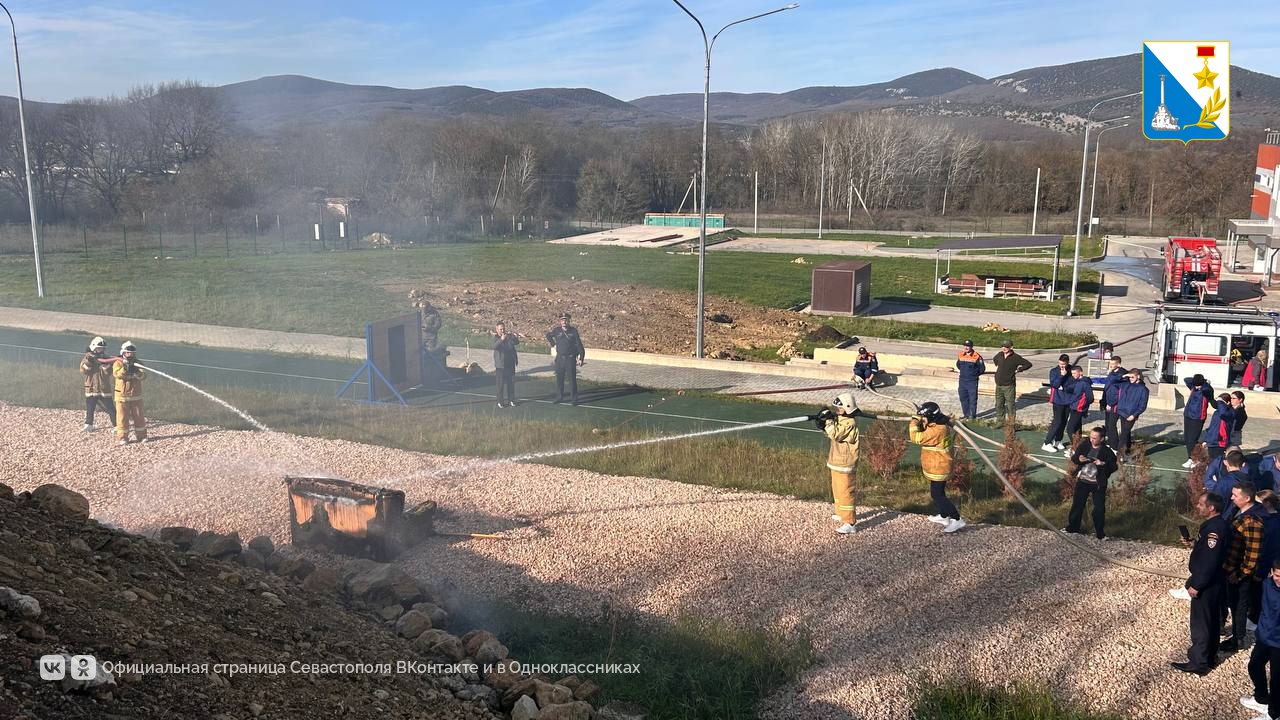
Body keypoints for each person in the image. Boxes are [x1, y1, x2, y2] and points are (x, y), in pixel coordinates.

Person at [1172, 492, 1231, 676]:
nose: (1197, 506)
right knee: (1211, 619)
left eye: (1200, 504)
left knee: (1201, 623)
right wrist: (1194, 544)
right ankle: (1210, 656)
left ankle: (1199, 661)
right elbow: (1207, 551)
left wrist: (1197, 585)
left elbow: (1210, 561)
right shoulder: (1216, 525)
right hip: (1214, 581)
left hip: (1207, 583)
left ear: (1211, 507)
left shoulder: (1214, 530)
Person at [1224, 481, 1267, 653]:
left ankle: (1238, 639)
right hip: (1232, 567)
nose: (1231, 498)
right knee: (1233, 603)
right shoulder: (1238, 511)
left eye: (1235, 495)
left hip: (1239, 572)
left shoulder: (1252, 521)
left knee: (1239, 605)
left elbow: (1253, 553)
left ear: (1247, 498)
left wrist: (1241, 573)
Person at [909, 402, 965, 533]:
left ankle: (956, 519)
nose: (923, 419)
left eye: (924, 417)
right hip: (938, 465)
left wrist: (914, 422)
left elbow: (916, 438)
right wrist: (922, 419)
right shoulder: (938, 424)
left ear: (931, 417)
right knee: (938, 492)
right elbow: (926, 428)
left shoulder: (938, 430)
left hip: (939, 467)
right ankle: (944, 516)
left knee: (937, 495)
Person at [1063, 426, 1118, 540]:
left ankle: (1100, 533)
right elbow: (1075, 458)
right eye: (1090, 437)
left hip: (1097, 484)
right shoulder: (1085, 445)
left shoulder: (1107, 451)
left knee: (1099, 509)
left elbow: (1113, 466)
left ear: (1101, 439)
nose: (1091, 440)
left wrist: (1102, 464)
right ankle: (1073, 528)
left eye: (1094, 438)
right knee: (1077, 506)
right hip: (1083, 481)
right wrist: (1079, 459)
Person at [817, 392, 860, 535]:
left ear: (848, 407)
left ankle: (850, 523)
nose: (837, 411)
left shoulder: (849, 423)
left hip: (845, 464)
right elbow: (831, 434)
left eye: (840, 408)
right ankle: (841, 513)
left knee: (845, 492)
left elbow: (836, 434)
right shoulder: (841, 420)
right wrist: (823, 425)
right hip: (836, 461)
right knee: (837, 490)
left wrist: (828, 421)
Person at [1244, 559, 1280, 717]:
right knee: (1254, 666)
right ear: (1271, 572)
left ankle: (1274, 714)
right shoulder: (1266, 584)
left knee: (1277, 680)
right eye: (1277, 575)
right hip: (1264, 636)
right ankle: (1261, 698)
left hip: (1278, 642)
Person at [545, 313, 585, 405]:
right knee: (559, 379)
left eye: (566, 320)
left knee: (572, 379)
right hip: (560, 358)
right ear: (560, 321)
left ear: (569, 321)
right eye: (562, 320)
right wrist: (553, 344)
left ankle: (574, 399)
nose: (564, 322)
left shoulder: (573, 331)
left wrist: (581, 358)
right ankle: (559, 397)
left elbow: (579, 345)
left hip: (570, 358)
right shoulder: (557, 330)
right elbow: (548, 335)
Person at [79, 336, 117, 432]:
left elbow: (109, 372)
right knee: (90, 408)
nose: (101, 350)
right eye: (99, 348)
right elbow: (83, 370)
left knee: (111, 409)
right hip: (91, 388)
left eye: (102, 348)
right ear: (94, 348)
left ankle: (117, 425)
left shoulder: (107, 358)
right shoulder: (87, 358)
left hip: (104, 389)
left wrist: (106, 366)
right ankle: (89, 424)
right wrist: (89, 362)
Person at [112, 341, 147, 445]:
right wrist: (125, 368)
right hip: (122, 396)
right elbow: (117, 374)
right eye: (128, 352)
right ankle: (122, 438)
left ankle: (141, 437)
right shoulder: (118, 362)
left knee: (139, 417)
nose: (130, 354)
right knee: (122, 418)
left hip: (135, 395)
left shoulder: (138, 363)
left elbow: (143, 376)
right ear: (123, 352)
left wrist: (137, 372)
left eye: (132, 353)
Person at [991, 340, 1032, 426]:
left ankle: (1011, 424)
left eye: (1006, 347)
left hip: (1009, 385)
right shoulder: (1000, 354)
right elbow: (995, 359)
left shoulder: (1016, 357)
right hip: (999, 384)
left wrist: (1019, 369)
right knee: (999, 404)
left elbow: (1028, 364)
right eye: (1003, 346)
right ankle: (1000, 421)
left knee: (1010, 406)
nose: (1004, 348)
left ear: (1011, 347)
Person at [1041, 354, 1073, 453]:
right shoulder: (1054, 371)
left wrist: (1064, 386)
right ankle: (1047, 442)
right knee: (1057, 421)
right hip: (1058, 400)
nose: (1061, 366)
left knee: (1064, 421)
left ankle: (1058, 440)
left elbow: (1072, 384)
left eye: (1063, 364)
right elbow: (1054, 384)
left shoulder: (1071, 370)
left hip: (1068, 400)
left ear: (1067, 363)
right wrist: (1061, 376)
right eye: (1060, 364)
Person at [1060, 365, 1095, 457]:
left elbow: (1090, 398)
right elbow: (1069, 388)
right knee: (1077, 428)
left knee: (1070, 428)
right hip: (1074, 407)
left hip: (1079, 408)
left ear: (1080, 373)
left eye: (1075, 373)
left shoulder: (1085, 383)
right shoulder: (1076, 381)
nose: (1073, 375)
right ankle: (1077, 447)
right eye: (1072, 374)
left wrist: (1083, 405)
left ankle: (1076, 448)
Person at [1206, 450, 1252, 518]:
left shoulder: (1224, 482)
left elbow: (1215, 501)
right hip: (1245, 516)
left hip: (1225, 517)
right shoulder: (1249, 480)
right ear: (1243, 464)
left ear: (1226, 463)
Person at [1114, 368, 1149, 457]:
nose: (1130, 379)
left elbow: (1143, 405)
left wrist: (1134, 415)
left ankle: (1120, 454)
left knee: (1123, 434)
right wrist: (1125, 375)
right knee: (1126, 432)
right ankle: (1127, 449)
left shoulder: (1143, 389)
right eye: (1129, 377)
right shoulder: (1126, 384)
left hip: (1131, 414)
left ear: (1138, 377)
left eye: (1132, 377)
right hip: (1122, 412)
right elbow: (1113, 381)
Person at [1183, 374, 1214, 468]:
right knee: (1187, 438)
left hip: (1197, 417)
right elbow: (1186, 379)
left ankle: (1195, 459)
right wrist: (1196, 381)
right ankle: (1191, 457)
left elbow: (1208, 390)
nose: (1196, 387)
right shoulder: (1193, 386)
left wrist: (1204, 383)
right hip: (1188, 415)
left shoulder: (1206, 390)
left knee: (1192, 439)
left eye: (1198, 385)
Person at [491, 322, 520, 408]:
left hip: (510, 364)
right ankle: (500, 401)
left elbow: (516, 342)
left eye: (503, 329)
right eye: (501, 329)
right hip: (501, 365)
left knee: (511, 383)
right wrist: (501, 340)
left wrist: (515, 337)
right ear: (497, 329)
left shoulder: (508, 337)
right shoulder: (495, 338)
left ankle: (511, 400)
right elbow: (494, 346)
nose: (503, 331)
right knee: (500, 385)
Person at [954, 340, 984, 420]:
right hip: (962, 380)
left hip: (972, 381)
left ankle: (972, 416)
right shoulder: (961, 354)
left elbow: (982, 369)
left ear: (971, 347)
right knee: (963, 398)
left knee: (972, 399)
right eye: (965, 346)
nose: (966, 347)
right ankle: (966, 415)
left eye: (968, 346)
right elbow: (958, 365)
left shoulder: (977, 356)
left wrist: (973, 375)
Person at [1202, 393, 1237, 461]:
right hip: (1212, 442)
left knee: (1218, 462)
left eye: (1221, 403)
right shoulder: (1217, 412)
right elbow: (1212, 427)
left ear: (1228, 403)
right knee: (1211, 462)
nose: (1218, 404)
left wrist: (1221, 402)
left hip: (1220, 443)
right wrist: (1206, 440)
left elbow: (1223, 414)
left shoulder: (1230, 413)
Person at [1101, 356, 1125, 448]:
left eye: (1112, 364)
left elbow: (1116, 391)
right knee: (1108, 424)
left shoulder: (1122, 374)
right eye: (1110, 364)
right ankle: (1110, 442)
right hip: (1108, 402)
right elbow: (1107, 389)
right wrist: (1104, 402)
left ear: (1118, 364)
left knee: (1111, 425)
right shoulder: (1112, 373)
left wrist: (1111, 404)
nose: (1110, 366)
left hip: (1115, 404)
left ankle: (1114, 446)